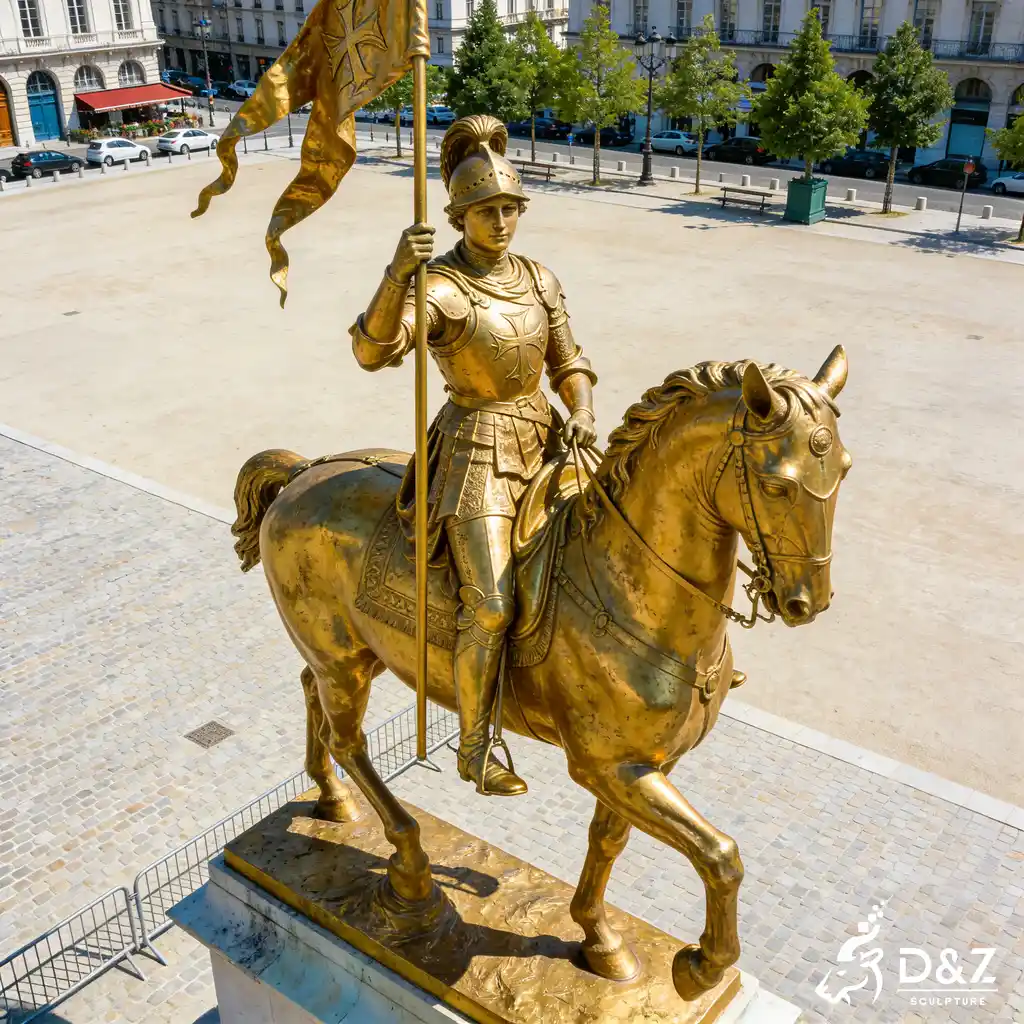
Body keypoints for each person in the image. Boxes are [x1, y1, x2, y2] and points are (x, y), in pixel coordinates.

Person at [350, 114, 598, 797]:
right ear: (459, 217)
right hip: (475, 453)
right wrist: (397, 273)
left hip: (546, 434)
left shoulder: (540, 279)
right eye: (487, 211)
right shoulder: (441, 286)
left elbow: (568, 362)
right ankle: (475, 745)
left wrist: (581, 409)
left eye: (511, 208)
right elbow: (373, 351)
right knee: (489, 604)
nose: (503, 221)